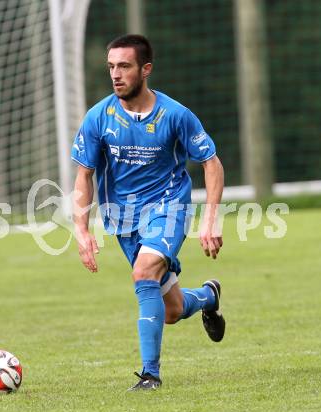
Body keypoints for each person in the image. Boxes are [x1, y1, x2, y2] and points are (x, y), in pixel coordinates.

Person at [71, 34, 225, 391]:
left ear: (146, 69)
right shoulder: (99, 117)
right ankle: (208, 296)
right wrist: (82, 228)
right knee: (170, 311)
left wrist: (211, 218)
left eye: (124, 66)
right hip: (123, 221)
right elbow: (84, 175)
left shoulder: (175, 115)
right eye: (111, 67)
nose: (116, 74)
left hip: (168, 209)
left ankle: (150, 374)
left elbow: (211, 163)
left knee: (143, 274)